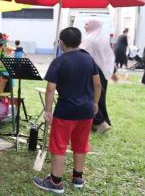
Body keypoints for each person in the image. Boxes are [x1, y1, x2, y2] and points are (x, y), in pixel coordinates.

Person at [33, 27, 101, 194]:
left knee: (59, 145)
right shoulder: (88, 59)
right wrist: (95, 103)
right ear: (79, 42)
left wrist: (48, 110)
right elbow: (97, 84)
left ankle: (55, 182)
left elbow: (50, 88)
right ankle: (78, 178)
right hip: (86, 111)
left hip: (66, 111)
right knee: (80, 144)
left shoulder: (59, 61)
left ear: (61, 42)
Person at [80, 19, 117, 134]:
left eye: (87, 24)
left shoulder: (89, 39)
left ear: (93, 26)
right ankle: (103, 121)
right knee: (100, 97)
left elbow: (82, 54)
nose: (85, 26)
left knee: (91, 96)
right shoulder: (103, 38)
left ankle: (100, 122)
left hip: (92, 71)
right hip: (102, 71)